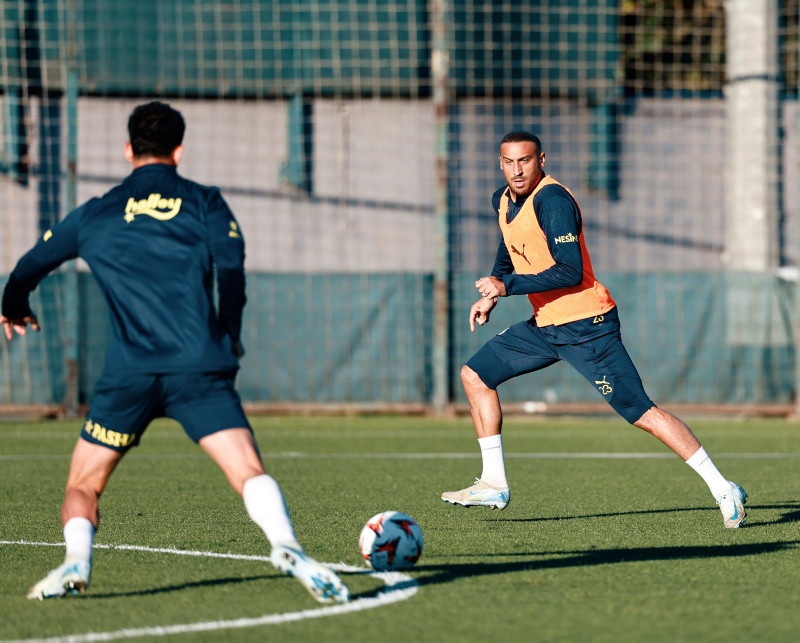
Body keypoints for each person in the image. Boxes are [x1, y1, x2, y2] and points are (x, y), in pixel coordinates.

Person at [1, 101, 349, 603]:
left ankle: (76, 562)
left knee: (83, 482)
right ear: (179, 151)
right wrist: (229, 333)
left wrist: (14, 307)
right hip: (199, 366)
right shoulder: (205, 202)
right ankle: (287, 545)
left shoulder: (95, 212)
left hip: (129, 372)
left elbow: (27, 268)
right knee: (249, 471)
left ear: (128, 150)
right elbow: (232, 271)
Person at [441, 130, 747, 529]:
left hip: (588, 326)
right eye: (509, 162)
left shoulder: (553, 201)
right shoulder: (502, 199)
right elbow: (510, 246)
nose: (517, 170)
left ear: (542, 160)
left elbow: (568, 270)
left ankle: (724, 488)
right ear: (499, 163)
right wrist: (493, 292)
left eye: (526, 161)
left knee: (641, 413)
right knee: (475, 375)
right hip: (546, 324)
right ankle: (494, 483)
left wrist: (507, 286)